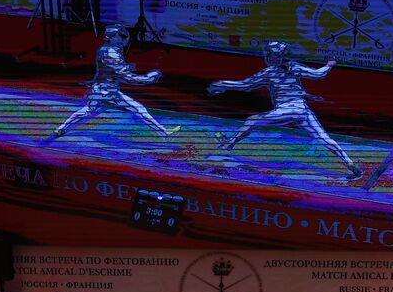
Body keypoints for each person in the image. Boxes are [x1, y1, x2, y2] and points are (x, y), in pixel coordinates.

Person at [207, 39, 362, 179]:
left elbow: (245, 85)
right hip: (302, 111)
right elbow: (317, 74)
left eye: (269, 54)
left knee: (252, 120)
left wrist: (221, 84)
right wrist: (329, 65)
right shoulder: (293, 67)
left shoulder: (270, 72)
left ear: (276, 56)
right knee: (324, 139)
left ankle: (228, 146)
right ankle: (351, 166)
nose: (266, 56)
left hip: (287, 110)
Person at [49, 26, 179, 139]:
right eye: (119, 36)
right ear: (112, 37)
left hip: (99, 89)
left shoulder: (104, 49)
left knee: (87, 110)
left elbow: (103, 71)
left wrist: (93, 84)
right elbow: (126, 77)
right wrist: (149, 78)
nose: (123, 39)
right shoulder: (112, 53)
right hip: (108, 92)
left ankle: (61, 129)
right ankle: (164, 132)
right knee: (138, 109)